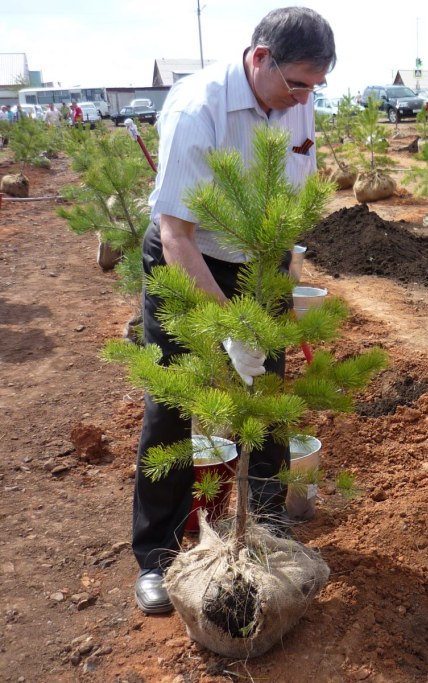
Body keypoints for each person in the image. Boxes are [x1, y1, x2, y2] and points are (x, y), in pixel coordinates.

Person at [133, 5, 335, 615]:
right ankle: (157, 556)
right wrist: (228, 326)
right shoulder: (201, 110)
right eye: (297, 83)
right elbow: (176, 236)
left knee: (268, 394)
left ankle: (265, 526)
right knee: (174, 403)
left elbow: (295, 194)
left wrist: (283, 273)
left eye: (315, 88)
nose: (304, 98)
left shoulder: (298, 103)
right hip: (189, 258)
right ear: (259, 59)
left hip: (259, 257)